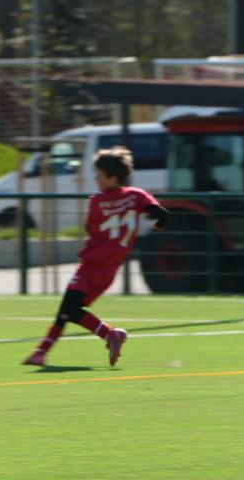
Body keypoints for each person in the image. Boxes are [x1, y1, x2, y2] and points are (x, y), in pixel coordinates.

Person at [24, 146, 168, 368]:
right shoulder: (137, 195)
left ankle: (109, 335)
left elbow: (89, 228)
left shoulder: (97, 201)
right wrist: (158, 225)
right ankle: (41, 352)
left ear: (112, 177)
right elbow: (160, 213)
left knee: (69, 309)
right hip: (110, 269)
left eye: (99, 174)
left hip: (93, 264)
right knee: (69, 309)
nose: (96, 178)